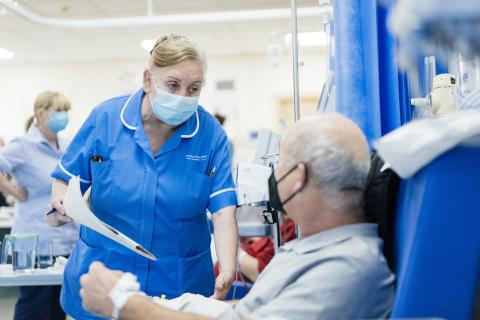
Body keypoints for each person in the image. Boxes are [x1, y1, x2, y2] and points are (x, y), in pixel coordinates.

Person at [79, 114, 396, 320]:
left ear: (297, 177)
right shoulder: (315, 248)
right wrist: (175, 306)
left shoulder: (347, 268)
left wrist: (126, 304)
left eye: (279, 167)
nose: (273, 178)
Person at [47, 34, 238, 319]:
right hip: (104, 279)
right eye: (173, 85)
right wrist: (59, 203)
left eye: (193, 88)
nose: (183, 96)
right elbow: (64, 180)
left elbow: (223, 209)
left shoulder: (210, 134)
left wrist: (227, 266)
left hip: (177, 286)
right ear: (148, 80)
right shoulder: (106, 119)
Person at [0, 91, 79, 320]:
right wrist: (14, 191)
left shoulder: (67, 146)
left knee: (58, 309)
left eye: (66, 111)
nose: (63, 116)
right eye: (58, 111)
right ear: (40, 113)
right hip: (35, 244)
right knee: (34, 308)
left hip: (66, 242)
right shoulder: (24, 145)